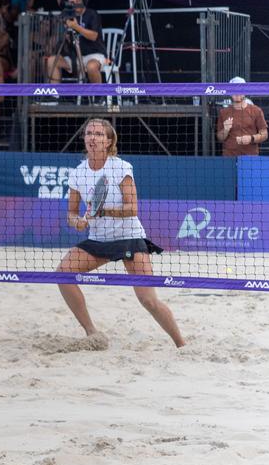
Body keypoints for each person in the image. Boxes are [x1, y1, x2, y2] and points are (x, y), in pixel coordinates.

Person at [56, 118, 185, 348]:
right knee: (62, 274)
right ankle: (91, 332)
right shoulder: (77, 173)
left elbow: (132, 208)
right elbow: (72, 213)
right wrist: (77, 222)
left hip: (129, 238)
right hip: (99, 239)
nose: (92, 138)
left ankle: (181, 344)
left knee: (148, 300)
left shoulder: (121, 167)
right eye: (89, 134)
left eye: (98, 134)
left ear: (108, 141)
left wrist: (102, 210)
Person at [47, 0, 105, 84]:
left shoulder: (92, 14)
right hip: (74, 57)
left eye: (78, 1)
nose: (76, 4)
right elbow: (59, 38)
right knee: (51, 61)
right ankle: (54, 95)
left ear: (84, 0)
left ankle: (99, 96)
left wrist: (76, 27)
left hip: (94, 55)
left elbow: (94, 36)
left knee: (91, 67)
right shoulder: (67, 15)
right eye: (72, 2)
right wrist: (63, 33)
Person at [217, 77, 267, 157]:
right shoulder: (224, 112)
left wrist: (251, 138)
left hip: (250, 157)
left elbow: (264, 134)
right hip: (229, 157)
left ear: (245, 91)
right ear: (230, 92)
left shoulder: (256, 110)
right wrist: (226, 130)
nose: (237, 93)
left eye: (240, 89)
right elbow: (220, 138)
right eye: (234, 90)